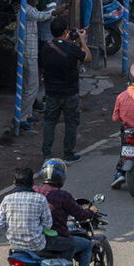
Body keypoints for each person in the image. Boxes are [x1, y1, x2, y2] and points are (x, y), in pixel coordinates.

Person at [40, 18, 91, 164]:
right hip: (70, 92)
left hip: (51, 92)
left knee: (50, 122)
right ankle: (68, 154)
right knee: (71, 123)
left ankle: (47, 155)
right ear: (65, 31)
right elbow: (88, 58)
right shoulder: (72, 48)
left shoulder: (46, 47)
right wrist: (83, 41)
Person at [34, 159, 96, 266]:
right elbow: (80, 215)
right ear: (61, 177)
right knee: (87, 245)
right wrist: (91, 212)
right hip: (52, 241)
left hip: (33, 239)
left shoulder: (34, 190)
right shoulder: (63, 196)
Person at [0, 167, 68, 257]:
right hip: (37, 246)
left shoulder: (7, 199)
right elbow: (48, 224)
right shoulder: (40, 199)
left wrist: (12, 226)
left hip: (15, 246)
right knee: (70, 244)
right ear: (32, 182)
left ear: (15, 182)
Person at [23, 0, 68, 129]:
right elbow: (43, 16)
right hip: (27, 52)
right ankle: (22, 117)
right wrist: (60, 9)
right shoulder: (26, 10)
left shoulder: (32, 9)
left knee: (29, 86)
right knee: (31, 86)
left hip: (31, 51)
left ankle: (28, 114)